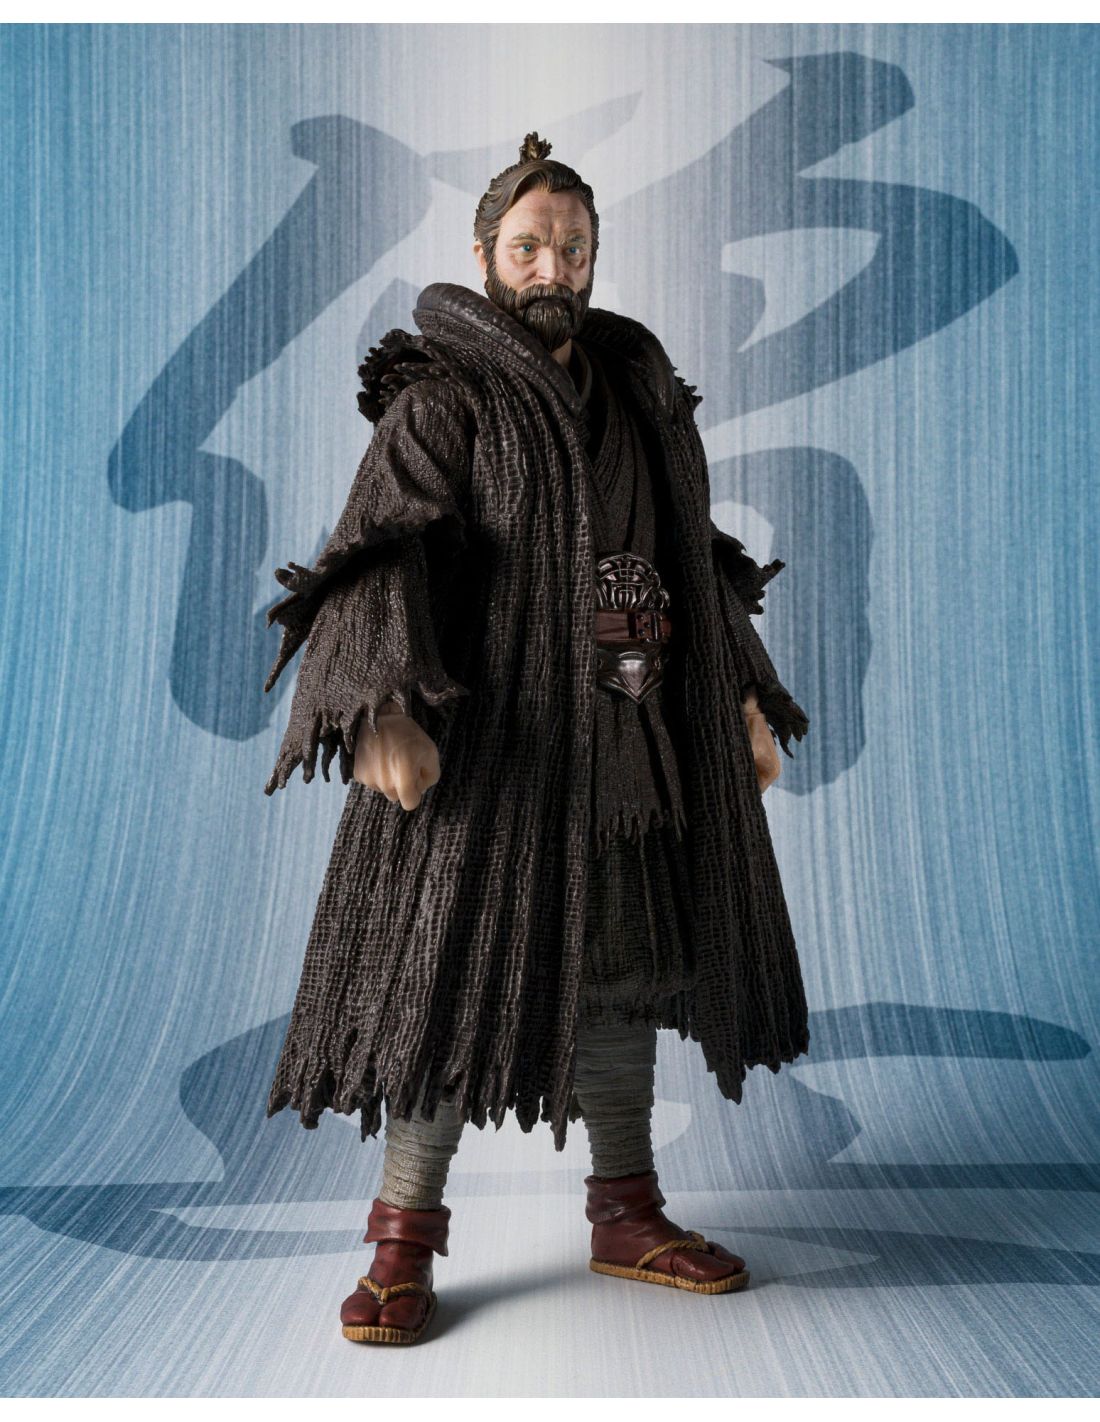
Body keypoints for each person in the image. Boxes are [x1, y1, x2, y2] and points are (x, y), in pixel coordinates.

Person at [262, 133, 810, 1345]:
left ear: (593, 255)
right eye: (527, 247)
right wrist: (383, 703)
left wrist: (738, 698)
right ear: (484, 257)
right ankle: (402, 1239)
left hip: (629, 739)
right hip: (492, 755)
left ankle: (626, 1210)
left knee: (623, 973)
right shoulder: (442, 401)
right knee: (442, 983)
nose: (550, 266)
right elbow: (380, 549)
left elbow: (692, 555)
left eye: (570, 246)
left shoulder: (640, 397)